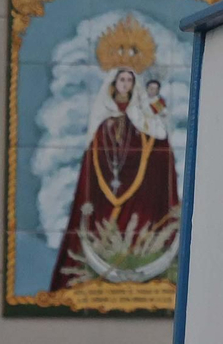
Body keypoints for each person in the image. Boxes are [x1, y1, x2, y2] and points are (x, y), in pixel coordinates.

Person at [50, 61, 178, 289]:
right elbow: (94, 152)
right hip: (106, 186)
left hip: (141, 190)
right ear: (113, 84)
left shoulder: (142, 116)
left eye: (129, 80)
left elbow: (158, 142)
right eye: (122, 80)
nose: (125, 84)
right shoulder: (104, 118)